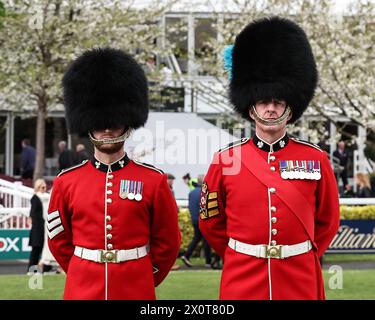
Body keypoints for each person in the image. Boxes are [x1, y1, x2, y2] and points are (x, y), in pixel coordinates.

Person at [199, 17, 340, 300]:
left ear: (290, 105)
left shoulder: (315, 158)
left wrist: (299, 251)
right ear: (251, 107)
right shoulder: (226, 159)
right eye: (264, 101)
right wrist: (242, 252)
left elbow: (328, 219)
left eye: (278, 102)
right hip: (244, 276)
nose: (271, 109)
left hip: (298, 277)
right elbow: (210, 221)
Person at [48, 48, 181, 300]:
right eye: (99, 121)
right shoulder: (67, 181)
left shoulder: (153, 180)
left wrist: (144, 276)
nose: (107, 127)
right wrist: (80, 271)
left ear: (127, 121)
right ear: (88, 123)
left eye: (115, 119)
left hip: (135, 288)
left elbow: (168, 241)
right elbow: (58, 239)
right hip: (83, 289)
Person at [181, 174, 212, 268]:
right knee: (206, 240)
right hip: (202, 220)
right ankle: (208, 262)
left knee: (197, 238)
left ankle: (186, 255)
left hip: (194, 219)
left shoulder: (192, 192)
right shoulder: (204, 192)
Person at [27, 179, 47, 272]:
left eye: (45, 187)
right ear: (38, 187)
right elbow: (33, 213)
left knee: (39, 251)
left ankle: (35, 270)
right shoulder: (35, 198)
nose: (44, 189)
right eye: (42, 187)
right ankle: (31, 270)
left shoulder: (44, 198)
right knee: (36, 250)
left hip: (42, 227)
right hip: (37, 228)